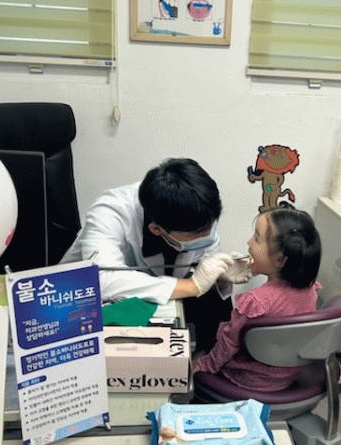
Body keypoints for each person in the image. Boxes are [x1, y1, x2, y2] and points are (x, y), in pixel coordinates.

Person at [62, 158, 250, 349]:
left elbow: (202, 265)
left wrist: (220, 277)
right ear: (156, 229)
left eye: (210, 228)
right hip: (79, 305)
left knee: (215, 304)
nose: (207, 237)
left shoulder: (196, 215)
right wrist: (192, 285)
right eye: (196, 235)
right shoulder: (111, 211)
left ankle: (209, 361)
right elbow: (102, 280)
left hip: (146, 298)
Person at [192, 206, 321, 392]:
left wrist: (204, 364)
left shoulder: (255, 302)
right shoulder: (311, 289)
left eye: (257, 238)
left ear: (280, 260)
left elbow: (228, 344)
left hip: (250, 378)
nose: (249, 242)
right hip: (287, 376)